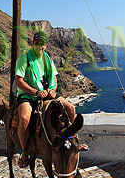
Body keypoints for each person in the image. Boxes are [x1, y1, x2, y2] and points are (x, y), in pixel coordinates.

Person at [9, 31, 79, 168]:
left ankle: (73, 140)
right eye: (37, 43)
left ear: (45, 45)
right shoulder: (24, 59)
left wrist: (52, 90)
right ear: (33, 43)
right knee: (24, 117)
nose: (39, 46)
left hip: (47, 93)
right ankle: (24, 151)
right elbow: (18, 81)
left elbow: (54, 79)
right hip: (28, 94)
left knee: (71, 108)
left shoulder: (47, 60)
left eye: (42, 44)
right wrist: (35, 92)